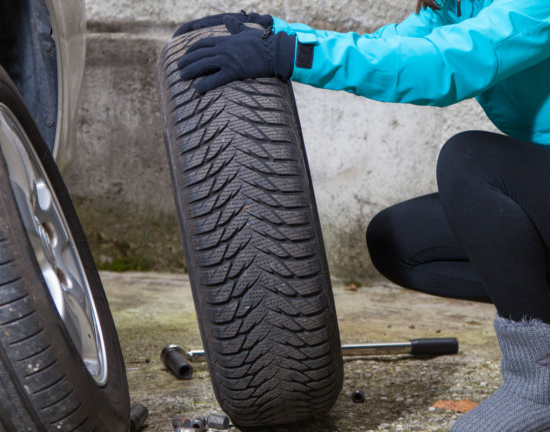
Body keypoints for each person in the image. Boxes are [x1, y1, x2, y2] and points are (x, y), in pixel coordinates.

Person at [176, 1, 550, 431]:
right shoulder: (458, 5)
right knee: (400, 241)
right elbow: (390, 46)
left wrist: (292, 54)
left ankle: (536, 382)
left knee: (470, 160)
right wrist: (273, 31)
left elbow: (448, 61)